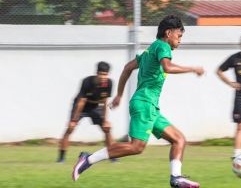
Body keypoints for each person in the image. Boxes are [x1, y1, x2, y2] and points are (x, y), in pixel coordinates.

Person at [72, 15, 204, 188]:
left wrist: (119, 95)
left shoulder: (150, 50)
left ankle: (176, 178)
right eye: (179, 36)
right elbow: (167, 67)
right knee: (136, 147)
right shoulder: (163, 47)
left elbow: (127, 67)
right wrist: (192, 68)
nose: (180, 41)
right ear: (168, 32)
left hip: (150, 107)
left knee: (178, 139)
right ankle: (88, 159)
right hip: (144, 104)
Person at [57, 61, 114, 163]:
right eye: (101, 74)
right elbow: (81, 102)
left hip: (95, 106)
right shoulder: (87, 82)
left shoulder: (108, 83)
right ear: (97, 73)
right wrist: (74, 120)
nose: (103, 77)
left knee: (107, 129)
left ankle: (113, 156)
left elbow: (105, 102)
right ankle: (61, 158)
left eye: (105, 75)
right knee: (70, 128)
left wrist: (105, 120)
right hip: (81, 106)